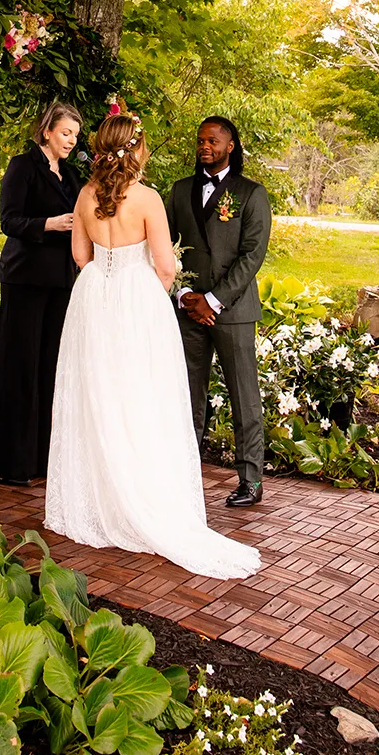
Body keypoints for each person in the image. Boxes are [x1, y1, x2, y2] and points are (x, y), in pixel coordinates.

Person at [46, 111, 260, 580]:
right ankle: (142, 494)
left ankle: (101, 498)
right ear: (136, 150)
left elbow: (80, 256)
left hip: (92, 301)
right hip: (136, 301)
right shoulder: (145, 199)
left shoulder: (84, 196)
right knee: (141, 397)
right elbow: (165, 266)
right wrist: (149, 290)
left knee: (97, 397)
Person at [166, 116, 272, 509]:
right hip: (188, 311)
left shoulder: (251, 194)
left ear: (231, 146)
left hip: (233, 311)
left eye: (212, 140)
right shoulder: (178, 192)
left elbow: (251, 257)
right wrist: (184, 295)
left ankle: (250, 480)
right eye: (200, 140)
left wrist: (214, 300)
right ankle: (184, 475)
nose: (204, 145)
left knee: (244, 397)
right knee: (187, 396)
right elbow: (164, 249)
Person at [0, 101, 83, 486]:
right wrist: (48, 224)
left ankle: (40, 460)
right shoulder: (22, 166)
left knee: (48, 368)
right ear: (47, 132)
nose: (71, 140)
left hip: (60, 280)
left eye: (75, 134)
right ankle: (9, 463)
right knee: (20, 366)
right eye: (65, 133)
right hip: (24, 279)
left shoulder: (70, 175)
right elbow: (9, 219)